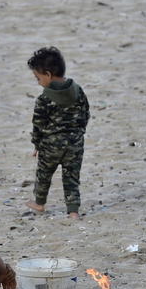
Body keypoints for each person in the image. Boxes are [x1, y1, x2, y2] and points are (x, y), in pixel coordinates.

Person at [24, 46, 90, 220]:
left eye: (38, 79)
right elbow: (85, 114)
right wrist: (78, 133)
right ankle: (73, 212)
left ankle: (39, 203)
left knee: (44, 174)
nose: (39, 83)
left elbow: (38, 124)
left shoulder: (44, 99)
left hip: (51, 145)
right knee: (71, 178)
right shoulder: (78, 91)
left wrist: (37, 144)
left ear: (47, 75)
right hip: (75, 143)